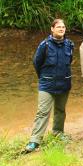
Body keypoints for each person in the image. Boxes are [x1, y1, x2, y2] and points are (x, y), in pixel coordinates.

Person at [25, 19, 74, 153]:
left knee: (60, 111)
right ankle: (35, 141)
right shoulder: (44, 45)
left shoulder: (69, 44)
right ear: (52, 29)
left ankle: (58, 133)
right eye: (58, 27)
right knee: (42, 112)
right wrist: (44, 77)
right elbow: (37, 63)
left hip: (64, 83)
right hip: (46, 85)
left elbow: (69, 61)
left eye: (63, 27)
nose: (61, 29)